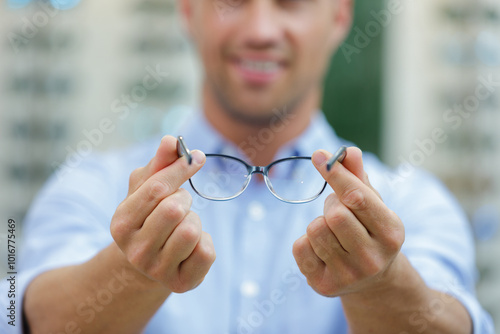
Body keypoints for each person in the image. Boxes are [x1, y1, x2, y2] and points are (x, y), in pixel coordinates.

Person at [2, 0, 494, 333]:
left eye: (290, 1)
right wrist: (130, 274)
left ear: (340, 18)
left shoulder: (411, 201)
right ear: (189, 11)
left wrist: (380, 284)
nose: (260, 31)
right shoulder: (88, 185)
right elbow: (25, 318)